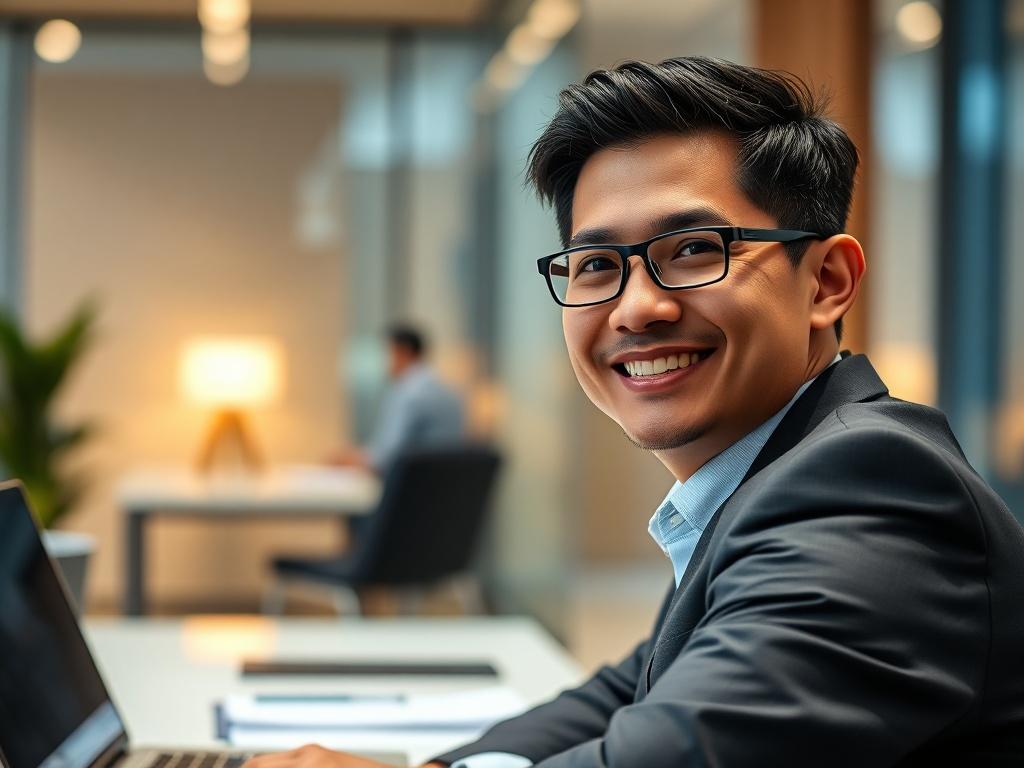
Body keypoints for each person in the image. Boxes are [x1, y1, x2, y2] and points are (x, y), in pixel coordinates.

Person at [247, 57, 1024, 768]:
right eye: (595, 265)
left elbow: (681, 754)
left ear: (825, 283)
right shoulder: (770, 476)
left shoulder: (875, 487)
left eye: (692, 249)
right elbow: (633, 691)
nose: (636, 308)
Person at [332, 325, 465, 474]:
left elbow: (387, 456)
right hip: (442, 488)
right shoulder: (450, 394)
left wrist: (352, 459)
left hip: (410, 488)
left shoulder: (408, 392)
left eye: (385, 354)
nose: (382, 363)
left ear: (402, 352)